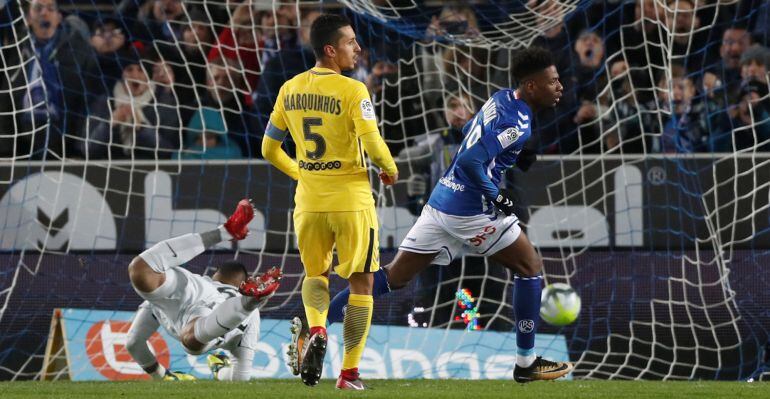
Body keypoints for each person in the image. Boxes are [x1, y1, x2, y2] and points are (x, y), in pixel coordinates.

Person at [318, 46, 573, 383]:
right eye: (552, 81)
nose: (559, 87)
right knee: (530, 268)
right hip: (471, 211)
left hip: (441, 201)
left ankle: (316, 327)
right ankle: (526, 363)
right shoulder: (519, 122)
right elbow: (471, 161)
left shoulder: (499, 98)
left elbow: (470, 136)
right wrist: (497, 194)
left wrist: (505, 154)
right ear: (530, 86)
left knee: (392, 278)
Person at [261, 13, 398, 390]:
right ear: (330, 49)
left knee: (315, 275)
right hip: (351, 200)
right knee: (362, 284)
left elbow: (269, 148)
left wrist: (301, 172)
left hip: (308, 202)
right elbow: (372, 142)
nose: (357, 48)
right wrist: (388, 168)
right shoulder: (354, 90)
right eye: (351, 42)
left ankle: (317, 328)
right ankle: (349, 374)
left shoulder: (289, 88)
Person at [126, 199, 281, 381]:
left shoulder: (199, 284)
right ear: (244, 284)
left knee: (141, 270)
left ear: (215, 273)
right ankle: (251, 302)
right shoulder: (253, 317)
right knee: (192, 341)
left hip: (196, 291)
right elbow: (241, 377)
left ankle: (224, 232)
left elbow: (133, 343)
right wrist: (221, 370)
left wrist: (162, 377)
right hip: (212, 311)